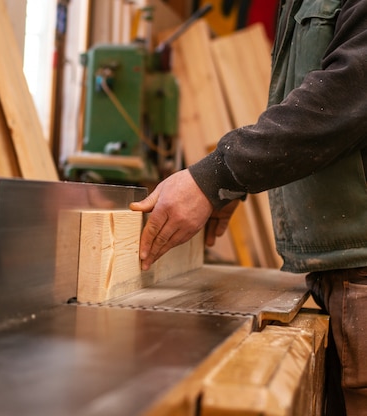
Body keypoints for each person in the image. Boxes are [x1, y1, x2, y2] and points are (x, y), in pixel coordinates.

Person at [129, 1, 367, 414]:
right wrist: (231, 188)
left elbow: (344, 98)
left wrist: (216, 176)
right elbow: (301, 104)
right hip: (341, 269)